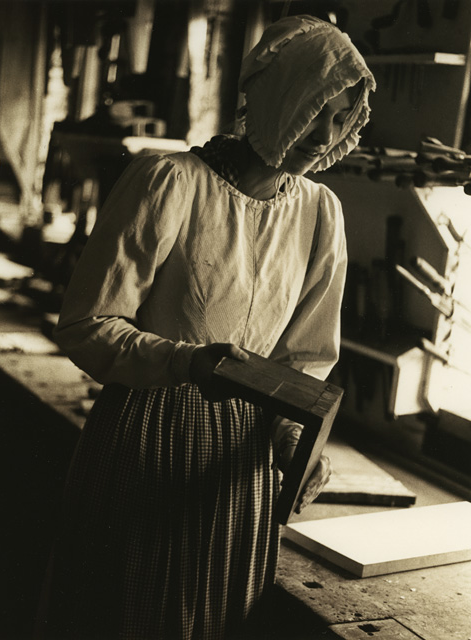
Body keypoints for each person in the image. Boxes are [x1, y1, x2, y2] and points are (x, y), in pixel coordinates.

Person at [37, 14, 375, 640]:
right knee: (125, 616)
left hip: (239, 462)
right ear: (275, 97)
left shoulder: (320, 213)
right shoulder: (169, 182)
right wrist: (186, 362)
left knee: (209, 619)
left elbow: (304, 361)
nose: (323, 135)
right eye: (314, 109)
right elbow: (87, 323)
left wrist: (292, 440)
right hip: (147, 432)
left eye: (339, 118)